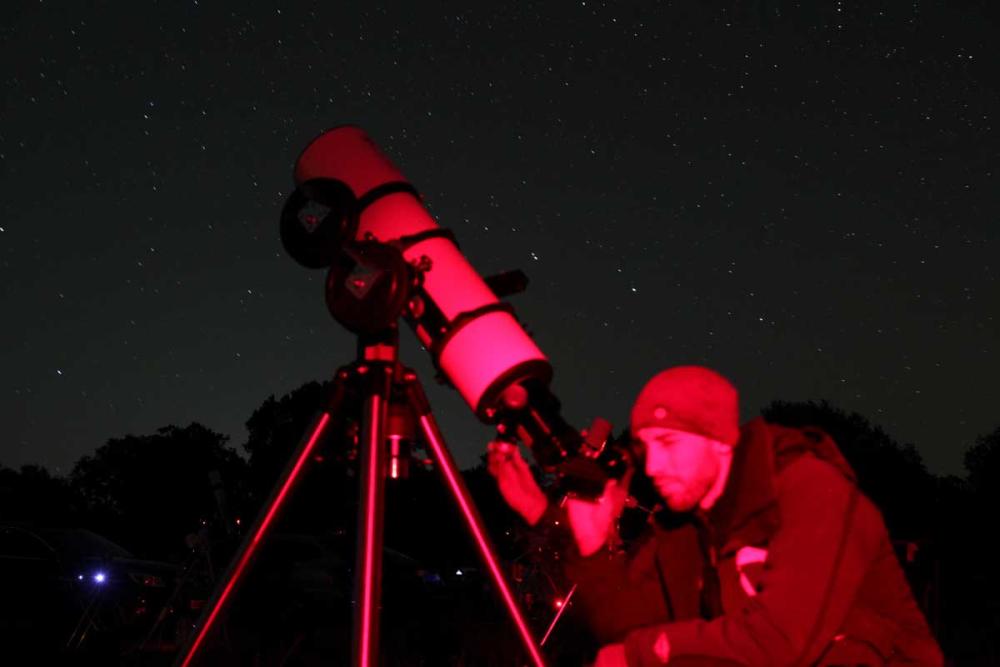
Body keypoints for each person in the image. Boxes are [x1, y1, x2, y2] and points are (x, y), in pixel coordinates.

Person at [487, 365, 943, 666]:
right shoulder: (687, 524)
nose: (652, 467)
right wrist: (557, 523)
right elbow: (627, 627)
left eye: (669, 444)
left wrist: (645, 652)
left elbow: (779, 642)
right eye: (647, 448)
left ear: (721, 440)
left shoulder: (813, 489)